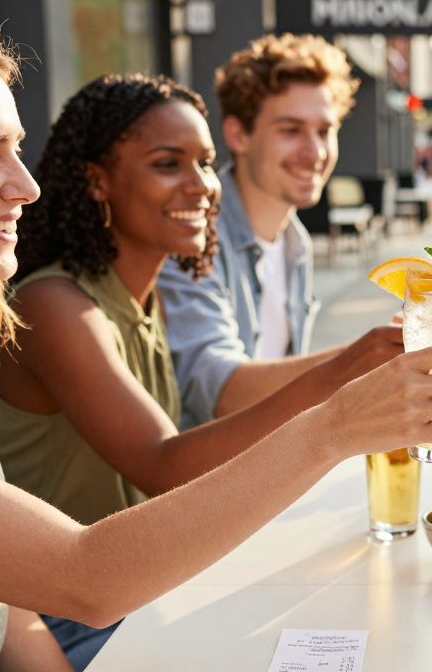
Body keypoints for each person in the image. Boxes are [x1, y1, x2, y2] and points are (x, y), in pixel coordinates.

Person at [0, 8, 432, 672]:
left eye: (15, 149)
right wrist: (334, 424)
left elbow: (4, 605)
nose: (22, 186)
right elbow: (86, 574)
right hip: (99, 603)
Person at [157, 34, 402, 428]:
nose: (314, 152)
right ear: (238, 135)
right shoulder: (192, 234)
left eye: (324, 130)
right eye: (291, 130)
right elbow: (219, 393)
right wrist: (359, 359)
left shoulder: (294, 242)